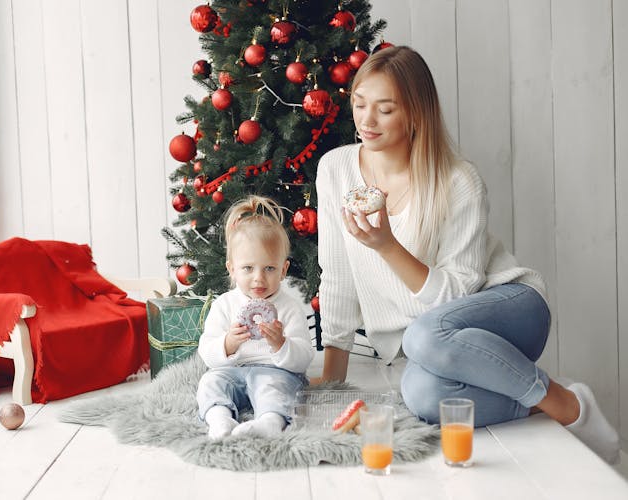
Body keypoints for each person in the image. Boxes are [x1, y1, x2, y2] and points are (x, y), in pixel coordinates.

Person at [313, 45, 620, 464]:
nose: (366, 120)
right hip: (437, 344)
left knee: (425, 334)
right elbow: (337, 276)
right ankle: (537, 403)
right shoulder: (336, 169)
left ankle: (565, 403)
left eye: (384, 109)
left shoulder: (458, 180)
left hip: (509, 308)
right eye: (359, 103)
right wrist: (332, 381)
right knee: (422, 395)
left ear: (416, 114)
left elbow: (454, 298)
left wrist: (386, 245)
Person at [196, 195, 314, 439]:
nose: (259, 278)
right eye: (248, 268)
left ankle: (270, 422)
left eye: (269, 268)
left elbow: (303, 359)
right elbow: (206, 352)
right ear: (232, 269)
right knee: (210, 383)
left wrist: (282, 344)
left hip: (275, 372)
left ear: (283, 270)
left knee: (276, 391)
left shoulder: (289, 308)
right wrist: (227, 344)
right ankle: (219, 420)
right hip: (233, 370)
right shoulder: (224, 305)